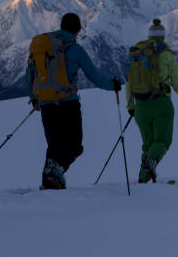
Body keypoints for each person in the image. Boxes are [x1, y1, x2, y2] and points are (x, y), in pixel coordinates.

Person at [27, 12, 122, 190]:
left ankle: (49, 183)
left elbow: (30, 75)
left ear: (61, 26)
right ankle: (55, 172)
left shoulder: (43, 48)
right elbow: (94, 76)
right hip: (67, 103)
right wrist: (113, 85)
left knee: (54, 146)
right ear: (78, 29)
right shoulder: (75, 49)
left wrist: (34, 97)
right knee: (74, 145)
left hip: (46, 103)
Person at [126, 18, 178, 183]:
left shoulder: (137, 53)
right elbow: (176, 83)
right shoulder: (167, 55)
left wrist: (130, 105)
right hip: (161, 104)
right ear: (163, 37)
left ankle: (144, 176)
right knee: (163, 141)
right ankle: (148, 168)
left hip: (141, 105)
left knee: (148, 143)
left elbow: (129, 82)